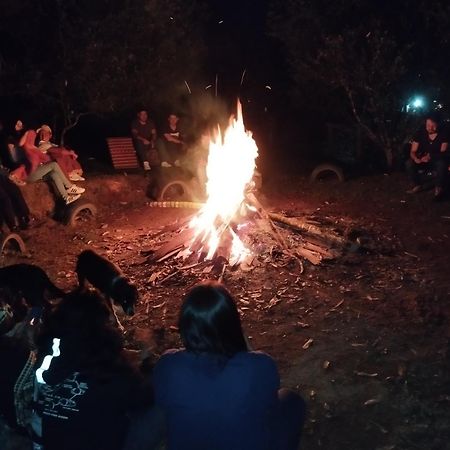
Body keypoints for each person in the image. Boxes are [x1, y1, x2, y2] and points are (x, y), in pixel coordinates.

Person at [152, 281, 306, 450]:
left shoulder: (168, 366)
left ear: (185, 327)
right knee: (290, 399)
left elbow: (163, 402)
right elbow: (268, 403)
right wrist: (242, 341)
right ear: (233, 325)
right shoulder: (259, 366)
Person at [32, 290, 154, 450]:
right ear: (101, 326)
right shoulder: (108, 366)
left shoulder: (46, 356)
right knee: (157, 409)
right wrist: (146, 360)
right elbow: (144, 397)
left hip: (45, 445)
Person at [8, 123, 85, 205]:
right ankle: (69, 187)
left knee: (54, 174)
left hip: (37, 172)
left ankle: (66, 197)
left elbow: (45, 157)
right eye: (39, 134)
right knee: (54, 165)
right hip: (29, 175)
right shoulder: (30, 149)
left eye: (33, 136)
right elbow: (44, 158)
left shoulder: (33, 148)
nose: (40, 136)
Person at [406, 115, 449, 200]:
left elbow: (443, 153)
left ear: (437, 125)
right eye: (428, 125)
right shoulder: (420, 133)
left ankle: (438, 188)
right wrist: (415, 158)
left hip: (437, 159)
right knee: (409, 163)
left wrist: (430, 157)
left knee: (441, 163)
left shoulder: (443, 134)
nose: (430, 128)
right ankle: (417, 185)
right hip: (424, 159)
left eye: (433, 125)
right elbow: (413, 151)